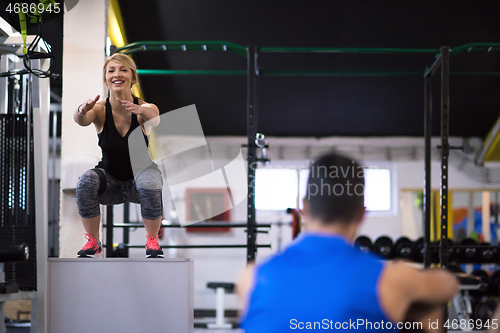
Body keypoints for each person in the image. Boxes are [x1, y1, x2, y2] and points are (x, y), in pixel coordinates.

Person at [238, 153, 460, 332]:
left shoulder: (250, 278)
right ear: (362, 213)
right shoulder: (392, 279)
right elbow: (449, 285)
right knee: (424, 311)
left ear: (303, 207)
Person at [73, 53, 164, 258]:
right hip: (111, 183)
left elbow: (155, 119)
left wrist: (139, 109)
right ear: (106, 78)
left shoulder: (145, 108)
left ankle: (152, 241)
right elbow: (81, 120)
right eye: (111, 70)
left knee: (150, 178)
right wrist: (81, 109)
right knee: (86, 180)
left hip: (138, 184)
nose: (117, 74)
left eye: (124, 69)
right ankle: (93, 241)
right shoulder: (99, 110)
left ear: (133, 77)